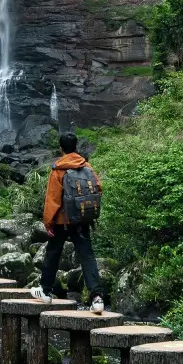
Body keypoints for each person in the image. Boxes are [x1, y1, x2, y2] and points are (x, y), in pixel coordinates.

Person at [30, 131, 105, 314]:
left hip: (61, 220)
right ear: (76, 146)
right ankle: (97, 299)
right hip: (81, 219)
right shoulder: (86, 165)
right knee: (86, 255)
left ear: (61, 148)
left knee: (53, 253)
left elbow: (52, 200)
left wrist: (48, 223)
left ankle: (46, 292)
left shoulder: (58, 170)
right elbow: (98, 188)